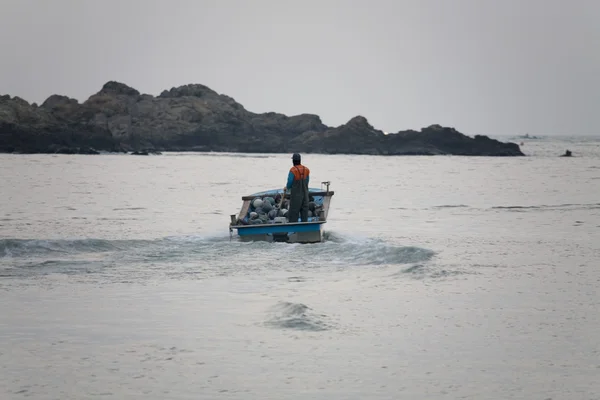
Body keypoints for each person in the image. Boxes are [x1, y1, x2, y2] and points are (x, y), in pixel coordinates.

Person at [284, 153, 310, 222]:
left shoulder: (293, 170)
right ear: (300, 160)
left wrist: (287, 188)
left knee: (294, 211)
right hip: (305, 195)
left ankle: (293, 227)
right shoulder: (306, 169)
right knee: (304, 212)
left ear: (293, 161)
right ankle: (304, 227)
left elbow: (289, 182)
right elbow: (307, 181)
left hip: (296, 196)